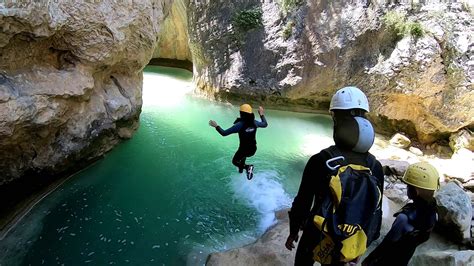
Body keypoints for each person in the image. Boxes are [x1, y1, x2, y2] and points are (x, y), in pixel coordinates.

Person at [285, 86, 384, 265]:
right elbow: (375, 210)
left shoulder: (322, 160)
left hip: (318, 229)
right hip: (350, 234)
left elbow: (303, 201)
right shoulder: (375, 166)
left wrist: (293, 231)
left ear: (336, 118)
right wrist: (361, 244)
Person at [362, 162, 439, 266]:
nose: (407, 188)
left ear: (415, 192)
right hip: (404, 258)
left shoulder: (404, 219)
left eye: (408, 186)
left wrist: (369, 260)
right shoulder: (433, 211)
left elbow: (388, 242)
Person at [209, 104, 268, 180]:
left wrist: (216, 126)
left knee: (235, 161)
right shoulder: (254, 122)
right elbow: (265, 124)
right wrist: (261, 114)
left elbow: (224, 133)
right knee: (243, 158)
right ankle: (241, 171)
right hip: (253, 149)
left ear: (241, 113)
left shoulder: (239, 125)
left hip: (243, 150)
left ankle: (248, 167)